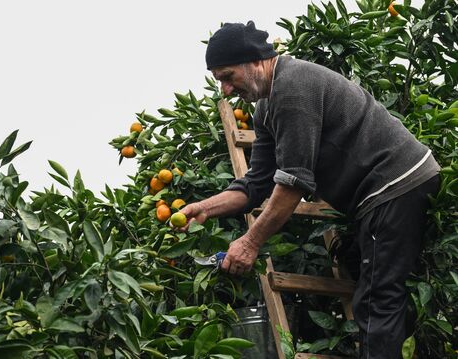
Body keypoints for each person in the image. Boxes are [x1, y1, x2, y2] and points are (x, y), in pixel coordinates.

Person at [179, 21, 440, 358]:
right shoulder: (266, 108)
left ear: (255, 61)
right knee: (375, 295)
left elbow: (292, 184)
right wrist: (205, 207)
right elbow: (257, 183)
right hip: (379, 195)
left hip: (397, 183)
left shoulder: (292, 87)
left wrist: (250, 242)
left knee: (378, 301)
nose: (226, 90)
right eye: (220, 82)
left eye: (228, 77)